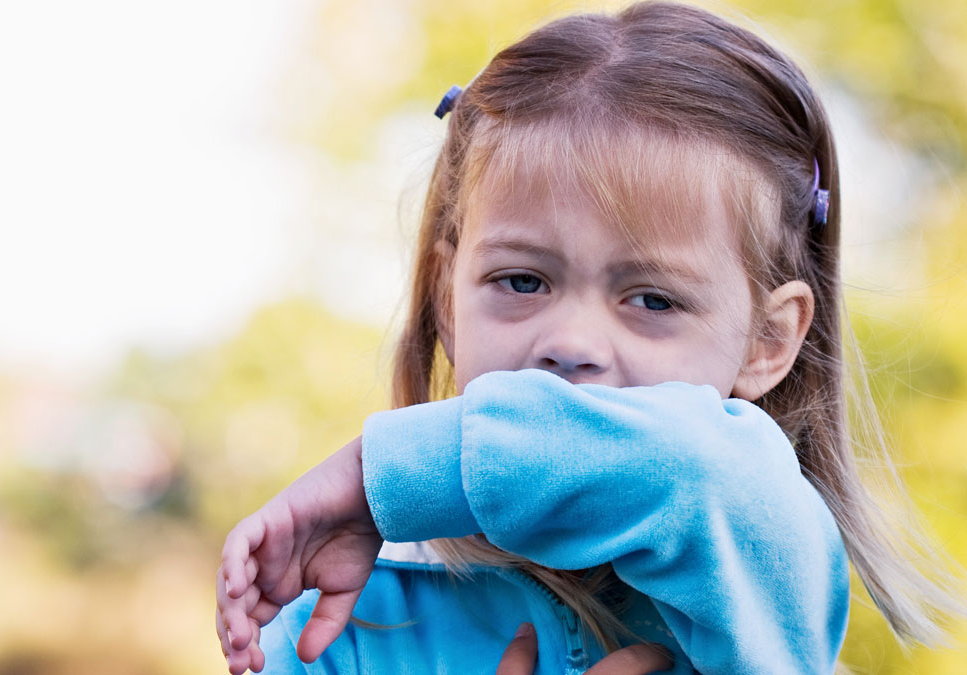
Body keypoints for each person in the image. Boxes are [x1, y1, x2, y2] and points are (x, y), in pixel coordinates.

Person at [215, 2, 958, 673]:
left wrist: (386, 478)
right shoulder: (344, 622)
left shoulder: (757, 556)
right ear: (448, 297)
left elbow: (698, 467)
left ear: (767, 341)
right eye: (523, 281)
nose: (570, 341)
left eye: (653, 299)